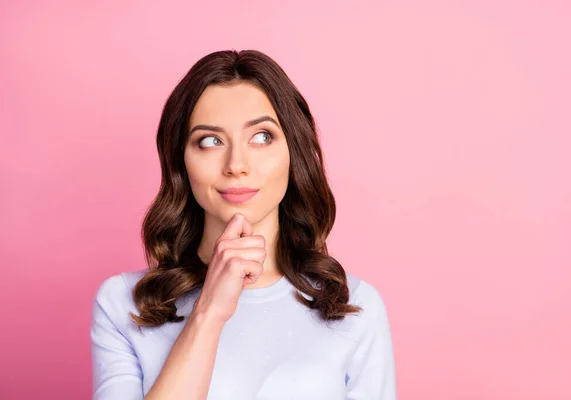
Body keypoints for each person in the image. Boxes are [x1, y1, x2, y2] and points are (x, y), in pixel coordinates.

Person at [90, 49, 397, 400]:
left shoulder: (353, 307)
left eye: (262, 137)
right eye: (210, 141)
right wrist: (208, 312)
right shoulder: (124, 305)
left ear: (293, 152)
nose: (236, 164)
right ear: (181, 161)